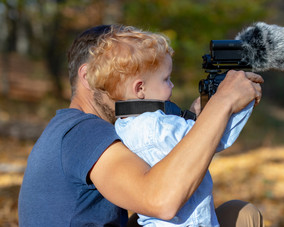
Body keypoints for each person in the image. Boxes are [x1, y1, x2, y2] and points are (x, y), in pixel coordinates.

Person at [18, 24, 264, 227]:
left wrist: (201, 117)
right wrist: (223, 102)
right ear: (88, 77)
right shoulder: (83, 132)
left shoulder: (69, 129)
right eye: (121, 74)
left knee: (239, 214)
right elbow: (162, 201)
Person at [86, 26, 256, 226]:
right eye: (166, 79)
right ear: (140, 88)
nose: (172, 85)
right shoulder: (155, 126)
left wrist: (196, 114)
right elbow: (211, 139)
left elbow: (184, 143)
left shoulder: (125, 127)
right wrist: (239, 100)